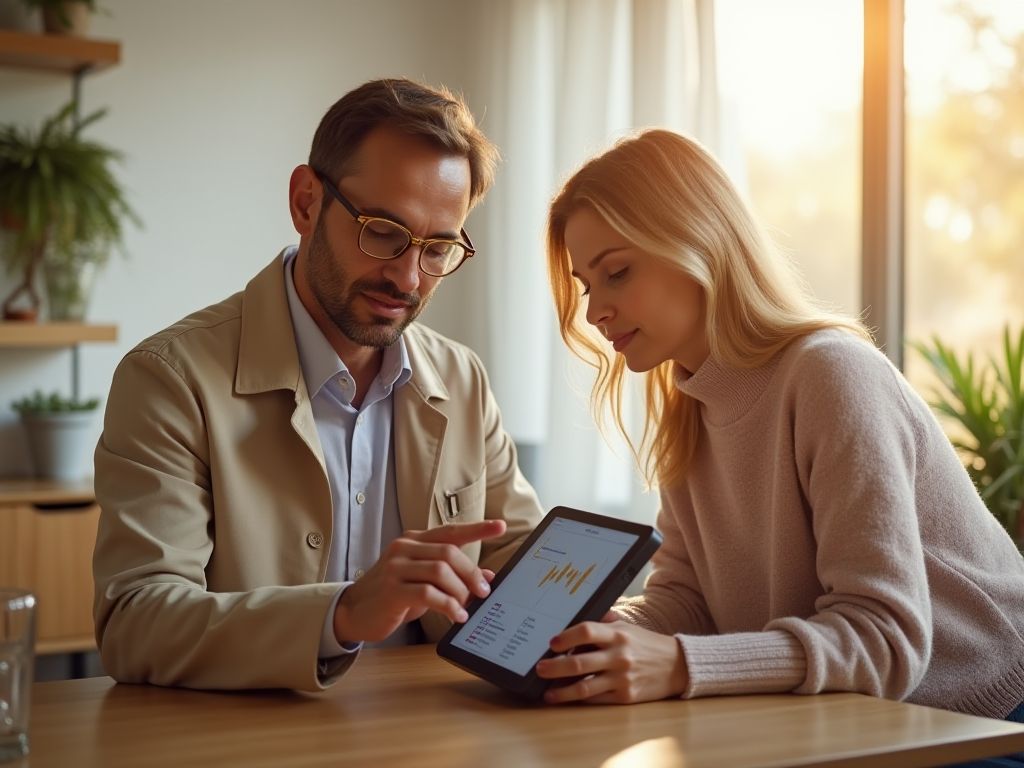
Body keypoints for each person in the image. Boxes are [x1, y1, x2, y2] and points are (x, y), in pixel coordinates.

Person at [536, 129, 1024, 734]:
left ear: (697, 240)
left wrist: (679, 664)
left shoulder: (831, 375)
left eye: (616, 273)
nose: (593, 312)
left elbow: (884, 638)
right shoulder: (687, 406)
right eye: (586, 285)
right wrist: (605, 633)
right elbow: (687, 600)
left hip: (980, 717)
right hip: (858, 725)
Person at [92, 78, 544, 691]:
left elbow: (511, 556)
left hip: (432, 735)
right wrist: (345, 613)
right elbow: (135, 622)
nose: (408, 279)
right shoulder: (170, 379)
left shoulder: (461, 378)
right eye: (383, 231)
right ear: (307, 202)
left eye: (437, 248)